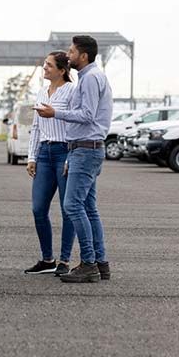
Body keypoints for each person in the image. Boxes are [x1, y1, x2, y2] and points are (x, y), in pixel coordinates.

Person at [36, 35, 113, 283]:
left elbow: (88, 115)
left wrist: (55, 113)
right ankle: (101, 263)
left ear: (83, 55)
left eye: (71, 52)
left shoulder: (90, 78)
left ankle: (89, 263)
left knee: (72, 206)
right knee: (89, 208)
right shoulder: (92, 77)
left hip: (86, 149)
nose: (68, 56)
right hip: (85, 149)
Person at [24, 51, 76, 276]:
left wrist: (71, 157)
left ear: (62, 70)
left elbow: (76, 123)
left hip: (64, 151)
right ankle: (47, 259)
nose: (44, 68)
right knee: (38, 209)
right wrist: (32, 156)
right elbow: (35, 126)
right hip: (44, 152)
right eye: (44, 64)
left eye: (49, 65)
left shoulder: (72, 91)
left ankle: (64, 260)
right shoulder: (42, 91)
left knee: (68, 210)